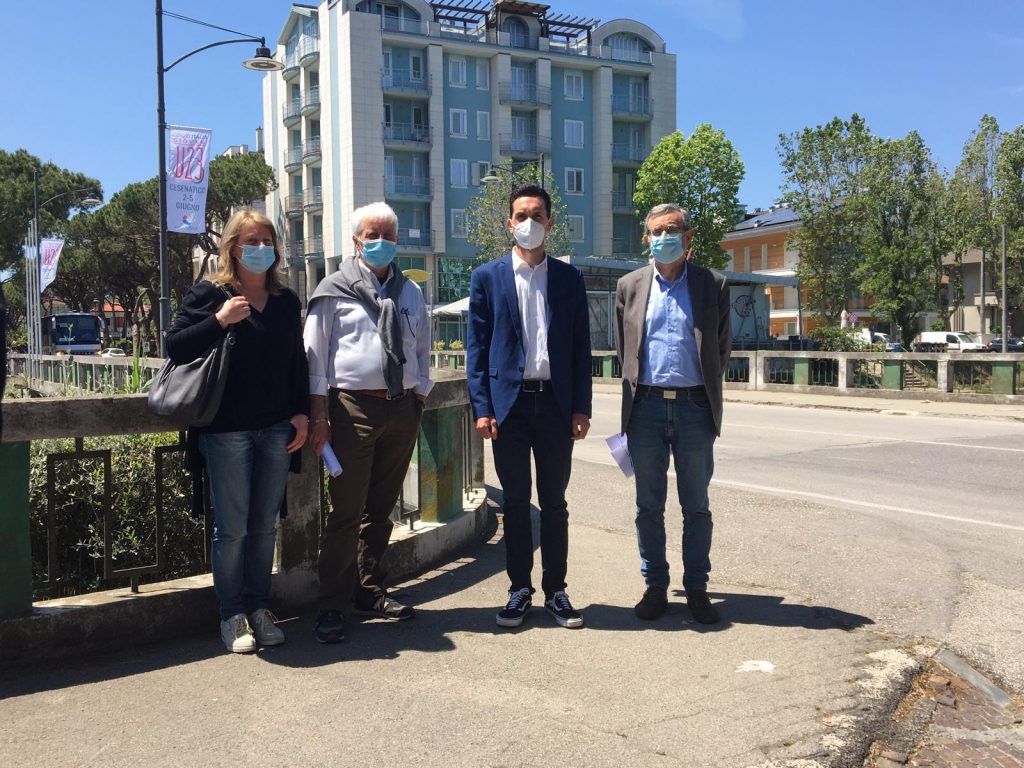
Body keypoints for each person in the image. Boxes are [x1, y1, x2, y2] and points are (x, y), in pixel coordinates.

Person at [165, 210, 309, 653]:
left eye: (267, 241)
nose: (260, 249)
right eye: (251, 241)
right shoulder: (211, 293)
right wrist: (221, 319)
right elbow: (174, 344)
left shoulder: (285, 300)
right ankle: (233, 615)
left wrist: (301, 413)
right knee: (232, 529)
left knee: (264, 525)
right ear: (232, 247)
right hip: (225, 432)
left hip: (275, 429)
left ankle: (260, 608)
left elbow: (296, 362)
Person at [305, 201, 433, 644]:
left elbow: (421, 350)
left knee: (381, 510)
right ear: (357, 240)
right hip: (351, 409)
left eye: (389, 236)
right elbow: (315, 358)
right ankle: (331, 604)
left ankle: (370, 588)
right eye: (372, 235)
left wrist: (418, 397)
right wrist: (319, 414)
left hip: (400, 408)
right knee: (346, 511)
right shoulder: (333, 289)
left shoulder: (410, 292)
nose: (381, 243)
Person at [466, 184, 592, 629]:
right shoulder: (487, 277)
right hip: (509, 408)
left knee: (554, 503)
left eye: (537, 216)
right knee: (517, 503)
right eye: (521, 215)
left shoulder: (568, 279)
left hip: (556, 407)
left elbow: (580, 348)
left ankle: (556, 590)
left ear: (550, 224)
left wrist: (582, 407)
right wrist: (482, 407)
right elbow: (476, 349)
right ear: (509, 224)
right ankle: (520, 588)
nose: (529, 224)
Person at [614, 203, 731, 625]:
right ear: (646, 238)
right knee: (648, 504)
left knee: (696, 504)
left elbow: (720, 347)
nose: (663, 237)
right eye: (655, 231)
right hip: (643, 406)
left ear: (688, 236)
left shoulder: (712, 284)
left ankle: (696, 587)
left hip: (695, 406)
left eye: (672, 229)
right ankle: (656, 585)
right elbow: (624, 348)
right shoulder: (628, 286)